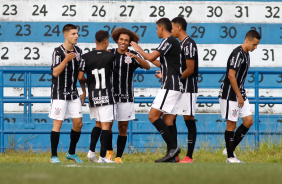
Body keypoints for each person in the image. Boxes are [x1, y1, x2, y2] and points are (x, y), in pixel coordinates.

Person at [130, 18, 182, 162]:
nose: (156, 31)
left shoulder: (168, 41)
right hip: (176, 86)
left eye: (156, 29)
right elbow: (160, 62)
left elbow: (152, 56)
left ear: (161, 28)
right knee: (168, 120)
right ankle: (173, 156)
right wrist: (139, 55)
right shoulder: (172, 42)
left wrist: (138, 49)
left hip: (170, 86)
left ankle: (173, 148)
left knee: (153, 116)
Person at [219, 30, 261, 163]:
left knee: (248, 121)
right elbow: (231, 75)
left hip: (240, 92)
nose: (256, 47)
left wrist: (241, 94)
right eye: (254, 44)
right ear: (247, 40)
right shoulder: (237, 53)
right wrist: (238, 95)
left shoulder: (246, 54)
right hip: (230, 93)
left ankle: (229, 149)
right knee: (231, 123)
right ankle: (230, 157)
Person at [49, 24, 85, 163]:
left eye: (77, 33)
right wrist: (65, 60)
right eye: (73, 34)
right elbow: (55, 72)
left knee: (78, 123)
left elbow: (80, 74)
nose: (76, 36)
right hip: (59, 94)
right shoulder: (57, 52)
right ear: (65, 35)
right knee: (57, 124)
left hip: (73, 93)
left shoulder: (79, 51)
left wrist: (84, 90)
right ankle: (54, 156)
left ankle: (71, 153)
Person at [78, 30, 116, 163]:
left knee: (98, 124)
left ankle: (91, 152)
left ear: (95, 41)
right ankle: (103, 157)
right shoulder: (111, 56)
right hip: (106, 94)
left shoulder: (86, 56)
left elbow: (80, 76)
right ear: (106, 41)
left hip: (93, 95)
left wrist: (85, 88)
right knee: (106, 125)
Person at [171, 17, 199, 163]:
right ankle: (174, 154)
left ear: (179, 28)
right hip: (180, 87)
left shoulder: (189, 44)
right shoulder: (181, 44)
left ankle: (189, 156)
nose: (171, 31)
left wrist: (176, 79)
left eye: (172, 27)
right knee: (171, 118)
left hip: (188, 87)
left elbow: (190, 69)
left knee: (188, 119)